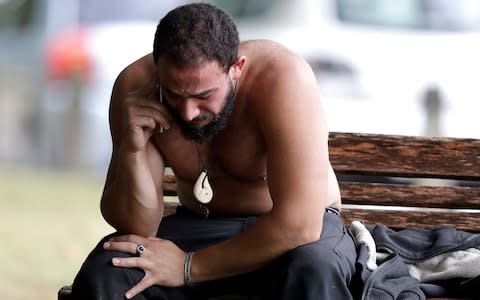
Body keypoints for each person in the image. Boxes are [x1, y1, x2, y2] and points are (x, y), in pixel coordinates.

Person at [71, 3, 357, 299]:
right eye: (173, 94)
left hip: (289, 236)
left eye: (204, 95)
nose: (188, 112)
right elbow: (138, 227)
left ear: (237, 68)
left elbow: (300, 225)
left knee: (314, 268)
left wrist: (187, 266)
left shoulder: (282, 77)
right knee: (108, 271)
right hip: (200, 228)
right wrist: (133, 150)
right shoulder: (136, 86)